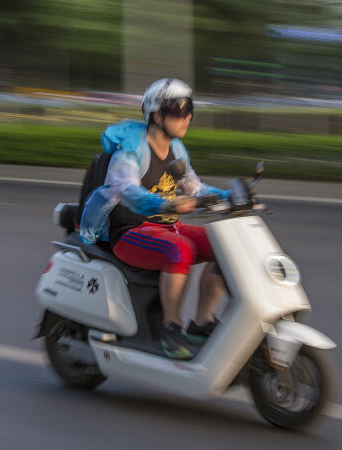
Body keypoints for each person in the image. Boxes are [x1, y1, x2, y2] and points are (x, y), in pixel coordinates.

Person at [78, 78, 229, 359]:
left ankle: (202, 322)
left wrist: (230, 197)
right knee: (179, 249)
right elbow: (126, 190)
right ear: (156, 115)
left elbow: (193, 186)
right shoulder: (132, 150)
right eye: (178, 109)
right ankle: (170, 329)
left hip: (166, 226)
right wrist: (166, 203)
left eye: (190, 108)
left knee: (225, 245)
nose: (187, 116)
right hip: (129, 231)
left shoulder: (176, 150)